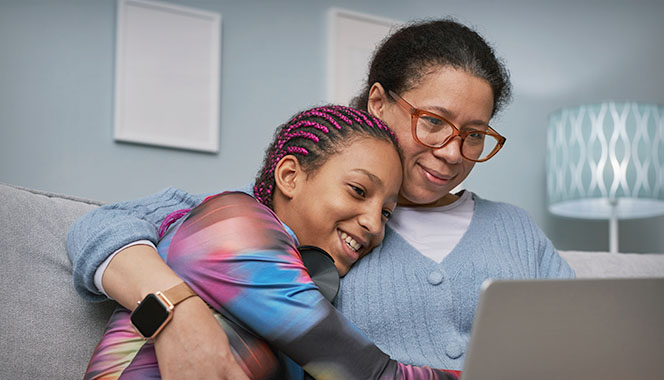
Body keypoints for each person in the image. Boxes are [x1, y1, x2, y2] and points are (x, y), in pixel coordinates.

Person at [67, 18, 574, 379]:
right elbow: (102, 226)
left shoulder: (514, 228)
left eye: (474, 135)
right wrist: (177, 312)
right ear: (379, 102)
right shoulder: (278, 216)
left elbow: (586, 337)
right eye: (434, 122)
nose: (450, 152)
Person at [78, 105, 458, 380]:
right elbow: (373, 376)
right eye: (358, 190)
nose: (375, 223)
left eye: (387, 212)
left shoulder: (295, 277)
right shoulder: (234, 225)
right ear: (290, 176)